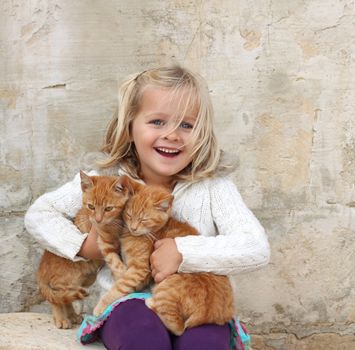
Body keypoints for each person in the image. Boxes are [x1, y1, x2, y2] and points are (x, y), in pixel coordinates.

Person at [24, 64, 271, 350]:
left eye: (187, 125)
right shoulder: (108, 180)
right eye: (157, 122)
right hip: (128, 302)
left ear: (202, 134)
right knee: (142, 339)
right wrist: (83, 246)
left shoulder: (213, 186)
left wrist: (183, 252)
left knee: (204, 344)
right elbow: (40, 215)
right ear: (129, 127)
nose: (173, 135)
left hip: (194, 301)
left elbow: (256, 247)